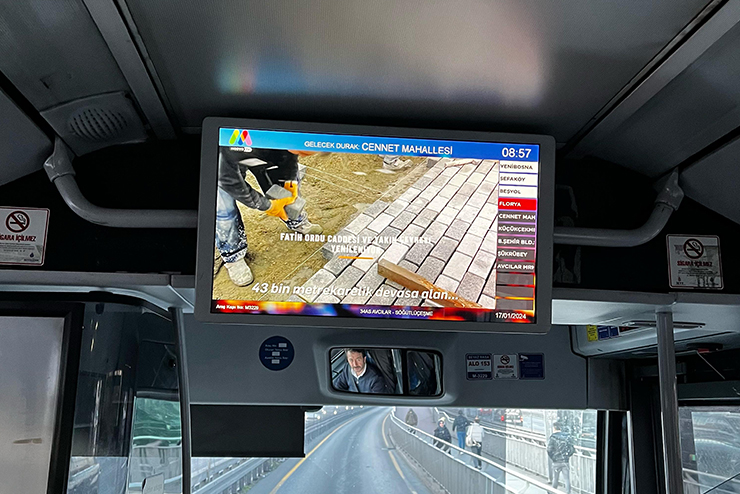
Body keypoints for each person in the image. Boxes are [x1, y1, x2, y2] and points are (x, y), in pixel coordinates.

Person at [215, 147, 323, 286]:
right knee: (223, 208)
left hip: (259, 145)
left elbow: (288, 157)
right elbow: (228, 181)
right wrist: (268, 206)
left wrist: (289, 180)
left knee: (283, 182)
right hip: (220, 156)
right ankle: (233, 255)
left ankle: (295, 220)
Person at [547, 421, 575, 493]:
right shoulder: (567, 436)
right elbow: (572, 449)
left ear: (554, 428)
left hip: (556, 462)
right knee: (567, 479)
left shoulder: (552, 437)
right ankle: (568, 492)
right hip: (565, 461)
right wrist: (567, 456)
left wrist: (554, 457)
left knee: (555, 478)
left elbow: (549, 450)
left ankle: (553, 492)